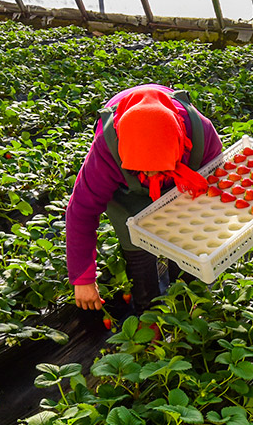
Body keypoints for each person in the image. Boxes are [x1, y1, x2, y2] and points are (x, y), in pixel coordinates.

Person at [66, 84, 223, 312]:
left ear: (179, 146)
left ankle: (190, 304)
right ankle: (147, 309)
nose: (150, 176)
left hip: (183, 174)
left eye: (157, 170)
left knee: (189, 240)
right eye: (143, 170)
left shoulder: (201, 133)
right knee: (137, 247)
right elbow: (81, 210)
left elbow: (216, 184)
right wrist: (83, 278)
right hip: (126, 189)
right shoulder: (106, 150)